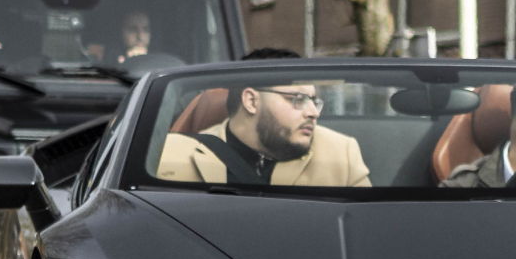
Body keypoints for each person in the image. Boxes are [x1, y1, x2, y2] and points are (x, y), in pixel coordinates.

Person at [155, 73, 371, 187]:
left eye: (315, 101)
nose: (314, 112)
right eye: (298, 99)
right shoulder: (168, 153)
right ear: (251, 100)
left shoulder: (342, 153)